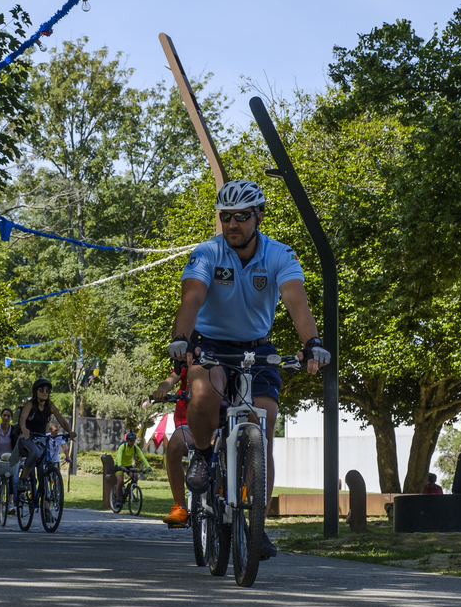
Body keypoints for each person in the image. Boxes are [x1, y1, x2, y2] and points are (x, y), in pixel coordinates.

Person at [169, 179, 331, 561]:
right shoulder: (207, 253)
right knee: (204, 392)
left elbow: (297, 302)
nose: (232, 224)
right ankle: (203, 455)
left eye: (241, 216)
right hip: (210, 343)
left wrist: (312, 343)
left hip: (257, 347)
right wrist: (181, 339)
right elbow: (191, 298)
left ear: (259, 216)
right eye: (226, 217)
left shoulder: (280, 255)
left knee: (266, 420)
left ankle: (256, 521)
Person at [15, 377, 74, 506]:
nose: (45, 392)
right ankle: (23, 480)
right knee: (34, 452)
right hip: (27, 438)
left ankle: (45, 508)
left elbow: (61, 420)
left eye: (48, 390)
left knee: (43, 472)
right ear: (35, 391)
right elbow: (23, 417)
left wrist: (69, 431)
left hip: (41, 439)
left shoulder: (49, 406)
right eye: (42, 389)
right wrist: (24, 428)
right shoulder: (30, 404)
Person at [152, 365, 193, 525]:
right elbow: (170, 379)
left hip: (217, 425)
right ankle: (180, 507)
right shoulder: (187, 363)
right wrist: (162, 389)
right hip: (188, 426)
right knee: (174, 446)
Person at [112, 431, 149, 506]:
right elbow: (119, 456)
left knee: (135, 477)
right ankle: (118, 500)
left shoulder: (135, 448)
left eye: (133, 441)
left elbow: (142, 457)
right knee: (120, 481)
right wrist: (120, 466)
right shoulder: (123, 446)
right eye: (130, 441)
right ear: (127, 440)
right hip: (119, 465)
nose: (132, 442)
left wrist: (148, 466)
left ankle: (129, 490)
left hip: (128, 465)